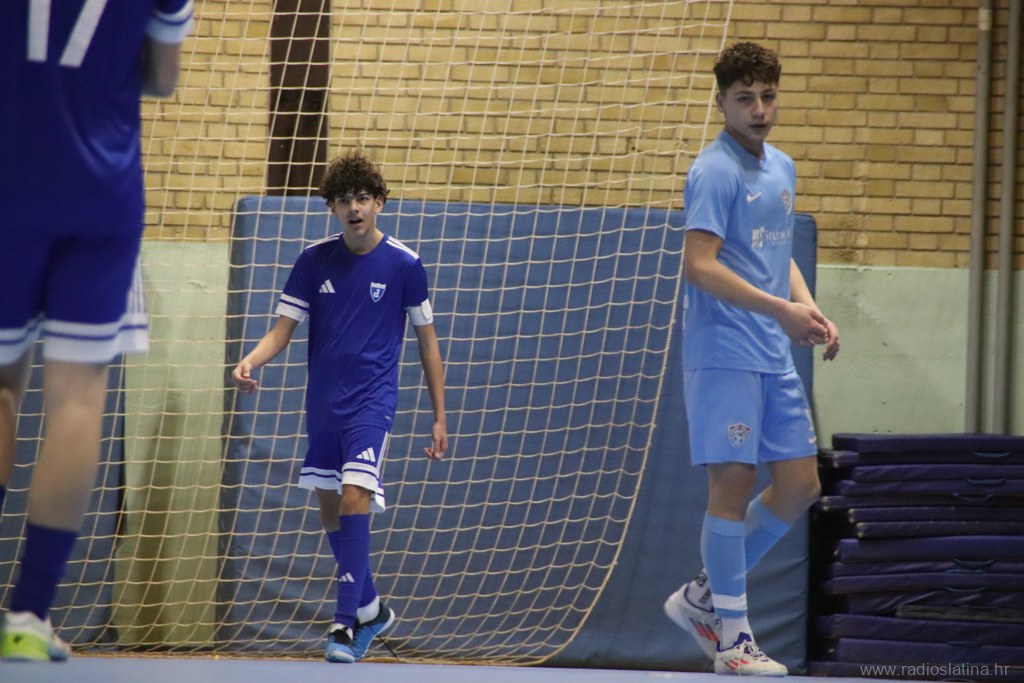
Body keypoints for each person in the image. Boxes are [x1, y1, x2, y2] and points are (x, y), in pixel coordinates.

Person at [0, 1, 193, 663]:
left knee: (1, 385)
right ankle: (29, 613)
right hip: (101, 189)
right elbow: (164, 77)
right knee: (78, 395)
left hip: (8, 176)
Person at [662, 42, 840, 677]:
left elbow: (776, 251)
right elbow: (700, 265)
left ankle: (703, 598)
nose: (759, 110)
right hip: (724, 352)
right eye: (745, 99)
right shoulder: (714, 171)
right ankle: (734, 642)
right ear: (722, 103)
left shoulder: (782, 166)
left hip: (773, 352)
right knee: (733, 483)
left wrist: (809, 308)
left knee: (800, 486)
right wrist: (779, 312)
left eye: (768, 96)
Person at [232, 149, 448, 663]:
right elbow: (281, 331)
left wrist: (440, 416)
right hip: (323, 405)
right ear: (331, 207)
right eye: (344, 199)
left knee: (355, 498)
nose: (354, 207)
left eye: (363, 198)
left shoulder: (405, 265)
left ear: (379, 203)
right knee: (330, 511)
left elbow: (428, 342)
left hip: (373, 403)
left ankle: (344, 624)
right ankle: (372, 608)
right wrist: (251, 361)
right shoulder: (313, 261)